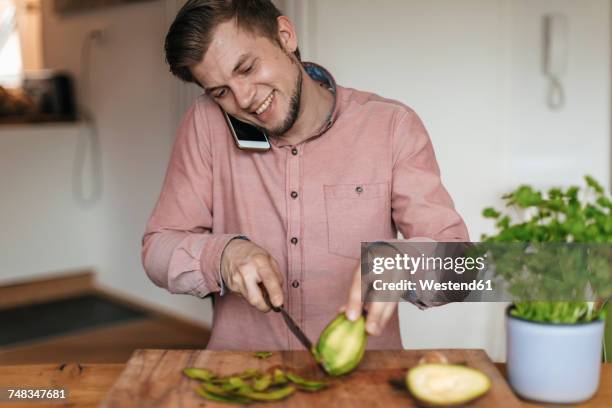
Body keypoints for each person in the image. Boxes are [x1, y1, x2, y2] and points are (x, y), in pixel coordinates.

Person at [142, 0, 469, 350]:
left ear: (285, 36)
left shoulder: (392, 126)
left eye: (247, 68)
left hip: (362, 383)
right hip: (244, 377)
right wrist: (223, 256)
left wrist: (401, 264)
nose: (245, 99)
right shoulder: (205, 124)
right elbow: (157, 249)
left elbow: (465, 270)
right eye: (221, 91)